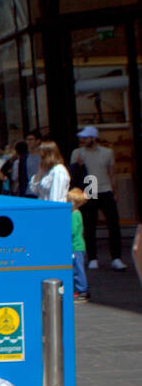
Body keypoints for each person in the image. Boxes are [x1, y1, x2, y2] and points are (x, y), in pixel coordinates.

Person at [71, 127, 126, 270]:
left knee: (113, 224)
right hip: (89, 191)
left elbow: (112, 173)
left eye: (86, 137)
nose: (83, 140)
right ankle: (93, 257)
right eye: (82, 137)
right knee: (89, 226)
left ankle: (116, 257)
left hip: (105, 189)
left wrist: (115, 191)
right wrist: (78, 165)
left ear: (94, 138)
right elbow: (72, 174)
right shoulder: (77, 153)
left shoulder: (107, 152)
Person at [68, 187, 89, 302]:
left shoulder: (75, 215)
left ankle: (82, 290)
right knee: (76, 268)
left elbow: (71, 230)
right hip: (76, 246)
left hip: (76, 247)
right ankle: (80, 290)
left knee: (78, 269)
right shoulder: (75, 214)